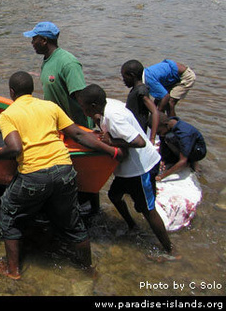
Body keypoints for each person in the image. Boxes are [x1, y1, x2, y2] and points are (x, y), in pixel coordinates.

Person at [0, 71, 121, 279]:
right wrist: (111, 152)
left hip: (34, 175)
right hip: (64, 169)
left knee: (9, 214)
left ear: (11, 92)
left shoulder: (8, 115)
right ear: (32, 90)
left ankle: (13, 271)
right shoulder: (50, 106)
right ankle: (88, 270)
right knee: (73, 222)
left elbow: (15, 148)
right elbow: (79, 134)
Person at [77, 84, 179, 260]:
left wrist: (112, 141)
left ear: (94, 105)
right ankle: (133, 226)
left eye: (84, 107)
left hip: (141, 169)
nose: (82, 110)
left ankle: (170, 251)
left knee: (148, 210)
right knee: (114, 195)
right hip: (128, 169)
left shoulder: (114, 116)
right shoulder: (106, 106)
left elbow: (140, 142)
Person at [23, 21, 98, 213]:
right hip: (61, 128)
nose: (31, 42)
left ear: (44, 40)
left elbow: (81, 98)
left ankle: (91, 209)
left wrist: (95, 127)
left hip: (77, 127)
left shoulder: (68, 62)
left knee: (86, 176)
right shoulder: (48, 61)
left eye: (34, 39)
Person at [155, 112, 206, 181]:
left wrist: (161, 176)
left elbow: (183, 161)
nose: (158, 134)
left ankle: (192, 161)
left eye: (158, 132)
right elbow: (163, 141)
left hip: (198, 152)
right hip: (186, 143)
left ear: (166, 125)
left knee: (169, 137)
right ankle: (177, 157)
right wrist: (163, 159)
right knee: (167, 136)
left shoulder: (184, 134)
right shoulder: (170, 122)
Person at [121, 59, 159, 145]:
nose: (123, 80)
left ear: (132, 75)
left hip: (137, 133)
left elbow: (154, 111)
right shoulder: (136, 90)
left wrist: (152, 138)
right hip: (132, 130)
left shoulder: (141, 91)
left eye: (124, 77)